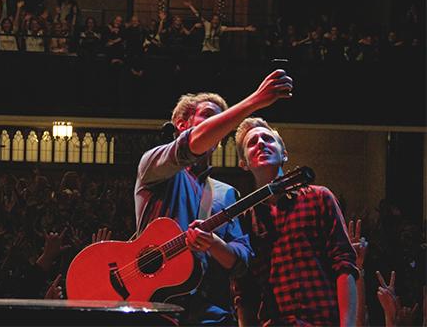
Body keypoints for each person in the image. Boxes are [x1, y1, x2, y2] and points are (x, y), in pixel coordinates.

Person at [134, 69, 293, 325]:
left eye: (221, 123)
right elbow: (190, 146)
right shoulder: (153, 165)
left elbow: (242, 261)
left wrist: (214, 244)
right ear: (182, 125)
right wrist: (255, 100)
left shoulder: (227, 193)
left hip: (212, 318)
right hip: (156, 312)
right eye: (208, 117)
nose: (218, 127)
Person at [233, 117, 358, 326]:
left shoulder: (319, 197)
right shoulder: (246, 218)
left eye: (268, 138)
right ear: (244, 163)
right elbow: (245, 292)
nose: (261, 143)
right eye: (252, 142)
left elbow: (344, 265)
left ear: (284, 154)